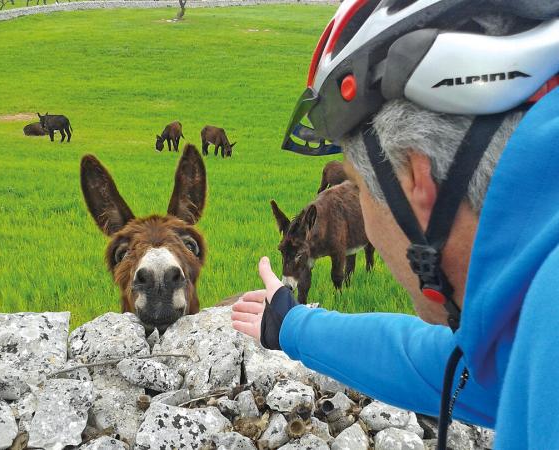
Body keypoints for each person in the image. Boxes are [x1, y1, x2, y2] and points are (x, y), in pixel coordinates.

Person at [231, 1, 559, 448]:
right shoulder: (531, 325)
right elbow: (439, 365)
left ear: (415, 178)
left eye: (358, 186)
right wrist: (291, 323)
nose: (360, 208)